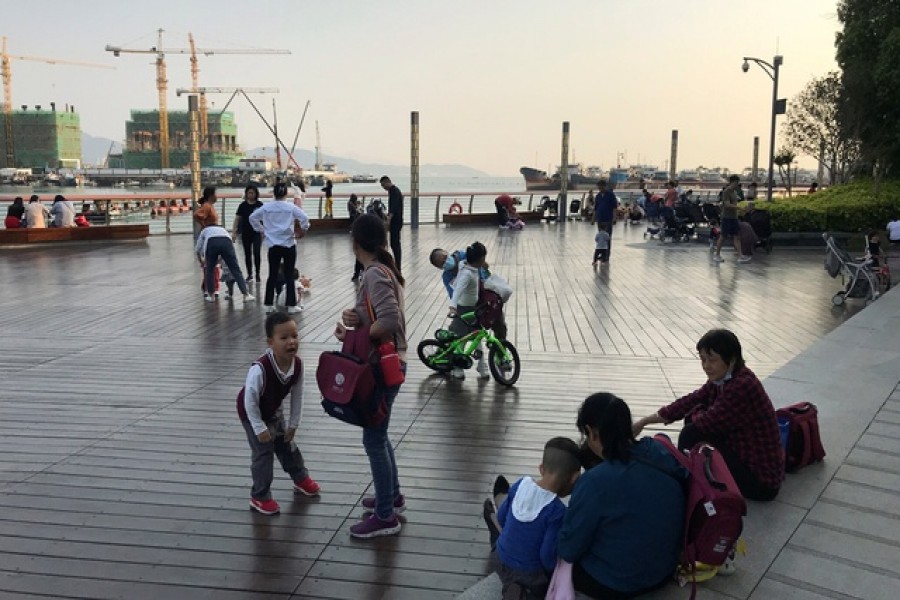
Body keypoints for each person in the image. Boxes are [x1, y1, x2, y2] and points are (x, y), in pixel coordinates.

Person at [557, 393, 686, 599]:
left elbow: (569, 549)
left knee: (545, 553)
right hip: (664, 570)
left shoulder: (594, 482)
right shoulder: (658, 450)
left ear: (591, 432)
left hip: (617, 583)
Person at [632, 329, 785, 501]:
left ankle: (686, 484)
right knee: (692, 419)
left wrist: (696, 412)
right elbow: (690, 401)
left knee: (692, 432)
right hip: (744, 458)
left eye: (712, 359)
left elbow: (705, 422)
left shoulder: (742, 386)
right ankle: (688, 475)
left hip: (760, 481)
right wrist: (644, 422)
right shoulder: (724, 379)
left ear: (732, 359)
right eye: (703, 359)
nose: (706, 366)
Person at [334, 213, 407, 538]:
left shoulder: (375, 274)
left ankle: (385, 516)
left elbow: (389, 319)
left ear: (355, 242)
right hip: (391, 361)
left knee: (374, 438)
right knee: (380, 434)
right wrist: (357, 317)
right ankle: (392, 496)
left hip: (383, 364)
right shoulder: (380, 270)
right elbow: (379, 314)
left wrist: (359, 336)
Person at [237, 311, 320, 515]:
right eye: (284, 338)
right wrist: (259, 427)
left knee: (286, 445)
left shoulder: (297, 365)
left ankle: (300, 478)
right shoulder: (260, 369)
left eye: (294, 336)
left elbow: (297, 396)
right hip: (252, 413)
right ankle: (260, 496)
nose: (291, 341)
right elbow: (250, 401)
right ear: (270, 342)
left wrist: (293, 424)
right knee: (263, 453)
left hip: (274, 409)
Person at [490, 437, 582, 599]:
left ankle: (511, 586)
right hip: (527, 575)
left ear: (541, 468)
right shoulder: (556, 511)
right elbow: (546, 556)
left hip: (498, 558)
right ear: (574, 478)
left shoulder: (520, 484)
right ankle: (518, 590)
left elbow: (502, 517)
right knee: (541, 585)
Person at [250, 182, 311, 314]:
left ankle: (268, 304)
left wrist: (262, 230)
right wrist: (303, 230)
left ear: (274, 193)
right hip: (289, 243)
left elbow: (252, 217)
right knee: (289, 275)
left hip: (273, 244)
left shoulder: (266, 207)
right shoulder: (290, 207)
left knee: (272, 274)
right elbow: (304, 218)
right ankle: (291, 305)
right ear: (285, 193)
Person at [430, 247, 508, 340]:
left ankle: (500, 347)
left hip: (486, 294)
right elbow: (454, 294)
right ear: (439, 267)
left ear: (447, 252)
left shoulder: (463, 255)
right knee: (460, 329)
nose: (446, 261)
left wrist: (483, 264)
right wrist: (455, 307)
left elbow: (482, 264)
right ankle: (453, 350)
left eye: (445, 257)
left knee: (498, 323)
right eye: (442, 263)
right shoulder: (447, 276)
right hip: (468, 302)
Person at [447, 242, 490, 380]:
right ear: (480, 259)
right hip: (463, 309)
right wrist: (453, 305)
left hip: (473, 308)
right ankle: (457, 366)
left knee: (477, 336)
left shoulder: (469, 265)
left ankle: (481, 364)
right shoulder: (467, 273)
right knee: (461, 338)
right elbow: (458, 289)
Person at [195, 223, 254, 304]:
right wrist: (219, 259)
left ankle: (211, 296)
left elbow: (197, 249)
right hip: (227, 243)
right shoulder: (223, 230)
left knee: (209, 271)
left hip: (212, 243)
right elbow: (227, 246)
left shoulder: (205, 230)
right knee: (236, 270)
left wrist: (201, 261)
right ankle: (246, 294)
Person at [232, 185, 264, 286]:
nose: (251, 195)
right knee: (247, 254)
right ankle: (249, 274)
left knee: (257, 253)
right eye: (249, 193)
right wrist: (234, 231)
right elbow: (237, 219)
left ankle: (258, 273)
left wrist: (266, 231)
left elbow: (265, 218)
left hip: (257, 233)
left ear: (256, 194)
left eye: (253, 193)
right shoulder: (243, 205)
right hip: (246, 232)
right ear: (246, 194)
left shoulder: (260, 205)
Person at [713, 175, 748, 263]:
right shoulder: (726, 192)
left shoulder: (735, 192)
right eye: (737, 182)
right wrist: (739, 208)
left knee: (737, 236)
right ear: (733, 182)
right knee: (723, 236)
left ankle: (740, 256)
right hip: (726, 217)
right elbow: (727, 205)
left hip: (734, 218)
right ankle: (717, 255)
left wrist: (740, 210)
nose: (738, 184)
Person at [380, 176, 404, 272]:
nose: (383, 187)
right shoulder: (394, 191)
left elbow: (393, 207)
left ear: (387, 182)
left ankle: (398, 266)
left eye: (383, 185)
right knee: (394, 243)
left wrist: (388, 220)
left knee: (395, 244)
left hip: (396, 221)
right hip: (397, 220)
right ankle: (397, 265)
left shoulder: (394, 191)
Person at [592, 180, 619, 260]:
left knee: (607, 237)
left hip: (608, 218)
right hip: (600, 218)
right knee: (601, 237)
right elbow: (596, 208)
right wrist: (593, 218)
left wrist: (614, 218)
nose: (600, 189)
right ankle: (601, 253)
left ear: (605, 186)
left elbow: (614, 207)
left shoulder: (611, 195)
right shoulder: (598, 196)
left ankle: (606, 255)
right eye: (599, 187)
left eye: (601, 187)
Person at [348, 194, 364, 281]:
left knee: (359, 257)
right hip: (353, 217)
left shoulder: (350, 203)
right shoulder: (351, 204)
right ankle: (361, 272)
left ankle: (356, 274)